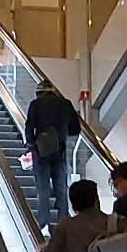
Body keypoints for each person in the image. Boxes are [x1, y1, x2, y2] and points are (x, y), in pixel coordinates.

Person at [24, 79, 80, 228]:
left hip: (40, 152)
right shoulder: (65, 104)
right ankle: (64, 224)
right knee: (61, 189)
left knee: (43, 190)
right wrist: (62, 134)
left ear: (39, 92)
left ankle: (44, 225)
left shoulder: (35, 105)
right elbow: (76, 129)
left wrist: (31, 144)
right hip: (60, 151)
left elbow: (29, 127)